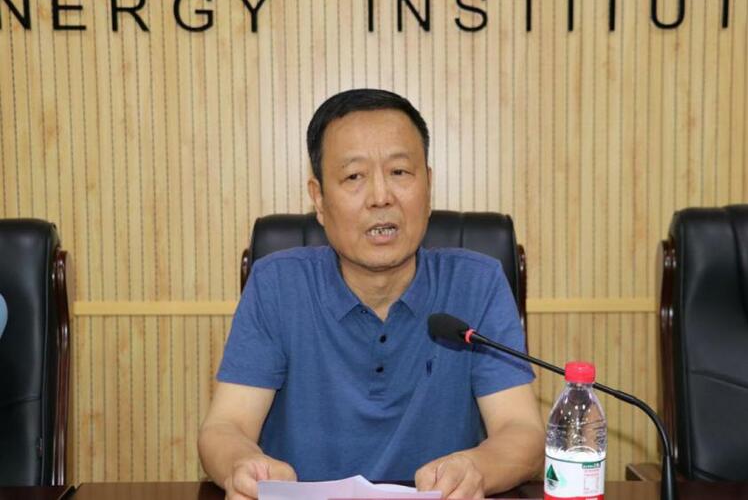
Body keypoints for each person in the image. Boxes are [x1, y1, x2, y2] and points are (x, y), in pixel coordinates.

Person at [198, 89, 544, 500]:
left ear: (428, 185)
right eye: (354, 177)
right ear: (319, 200)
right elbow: (226, 427)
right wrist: (243, 465)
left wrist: (476, 471)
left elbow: (521, 431)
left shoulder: (477, 283)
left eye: (399, 172)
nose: (381, 197)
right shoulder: (277, 284)